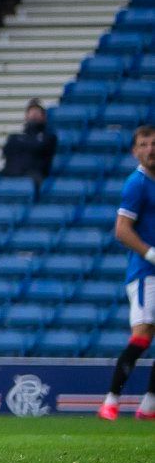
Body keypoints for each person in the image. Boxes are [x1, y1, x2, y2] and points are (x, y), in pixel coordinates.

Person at [98, 124, 155, 421]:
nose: (150, 149)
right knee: (143, 335)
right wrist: (150, 253)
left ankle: (148, 406)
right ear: (135, 151)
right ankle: (111, 400)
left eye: (153, 143)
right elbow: (122, 230)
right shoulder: (137, 183)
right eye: (144, 144)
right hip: (147, 273)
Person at [0, 99, 58, 203]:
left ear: (43, 117)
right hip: (10, 170)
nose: (33, 115)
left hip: (33, 172)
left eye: (37, 112)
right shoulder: (15, 136)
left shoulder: (49, 137)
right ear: (26, 116)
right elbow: (6, 151)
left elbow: (41, 149)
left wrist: (25, 146)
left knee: (38, 182)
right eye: (31, 112)